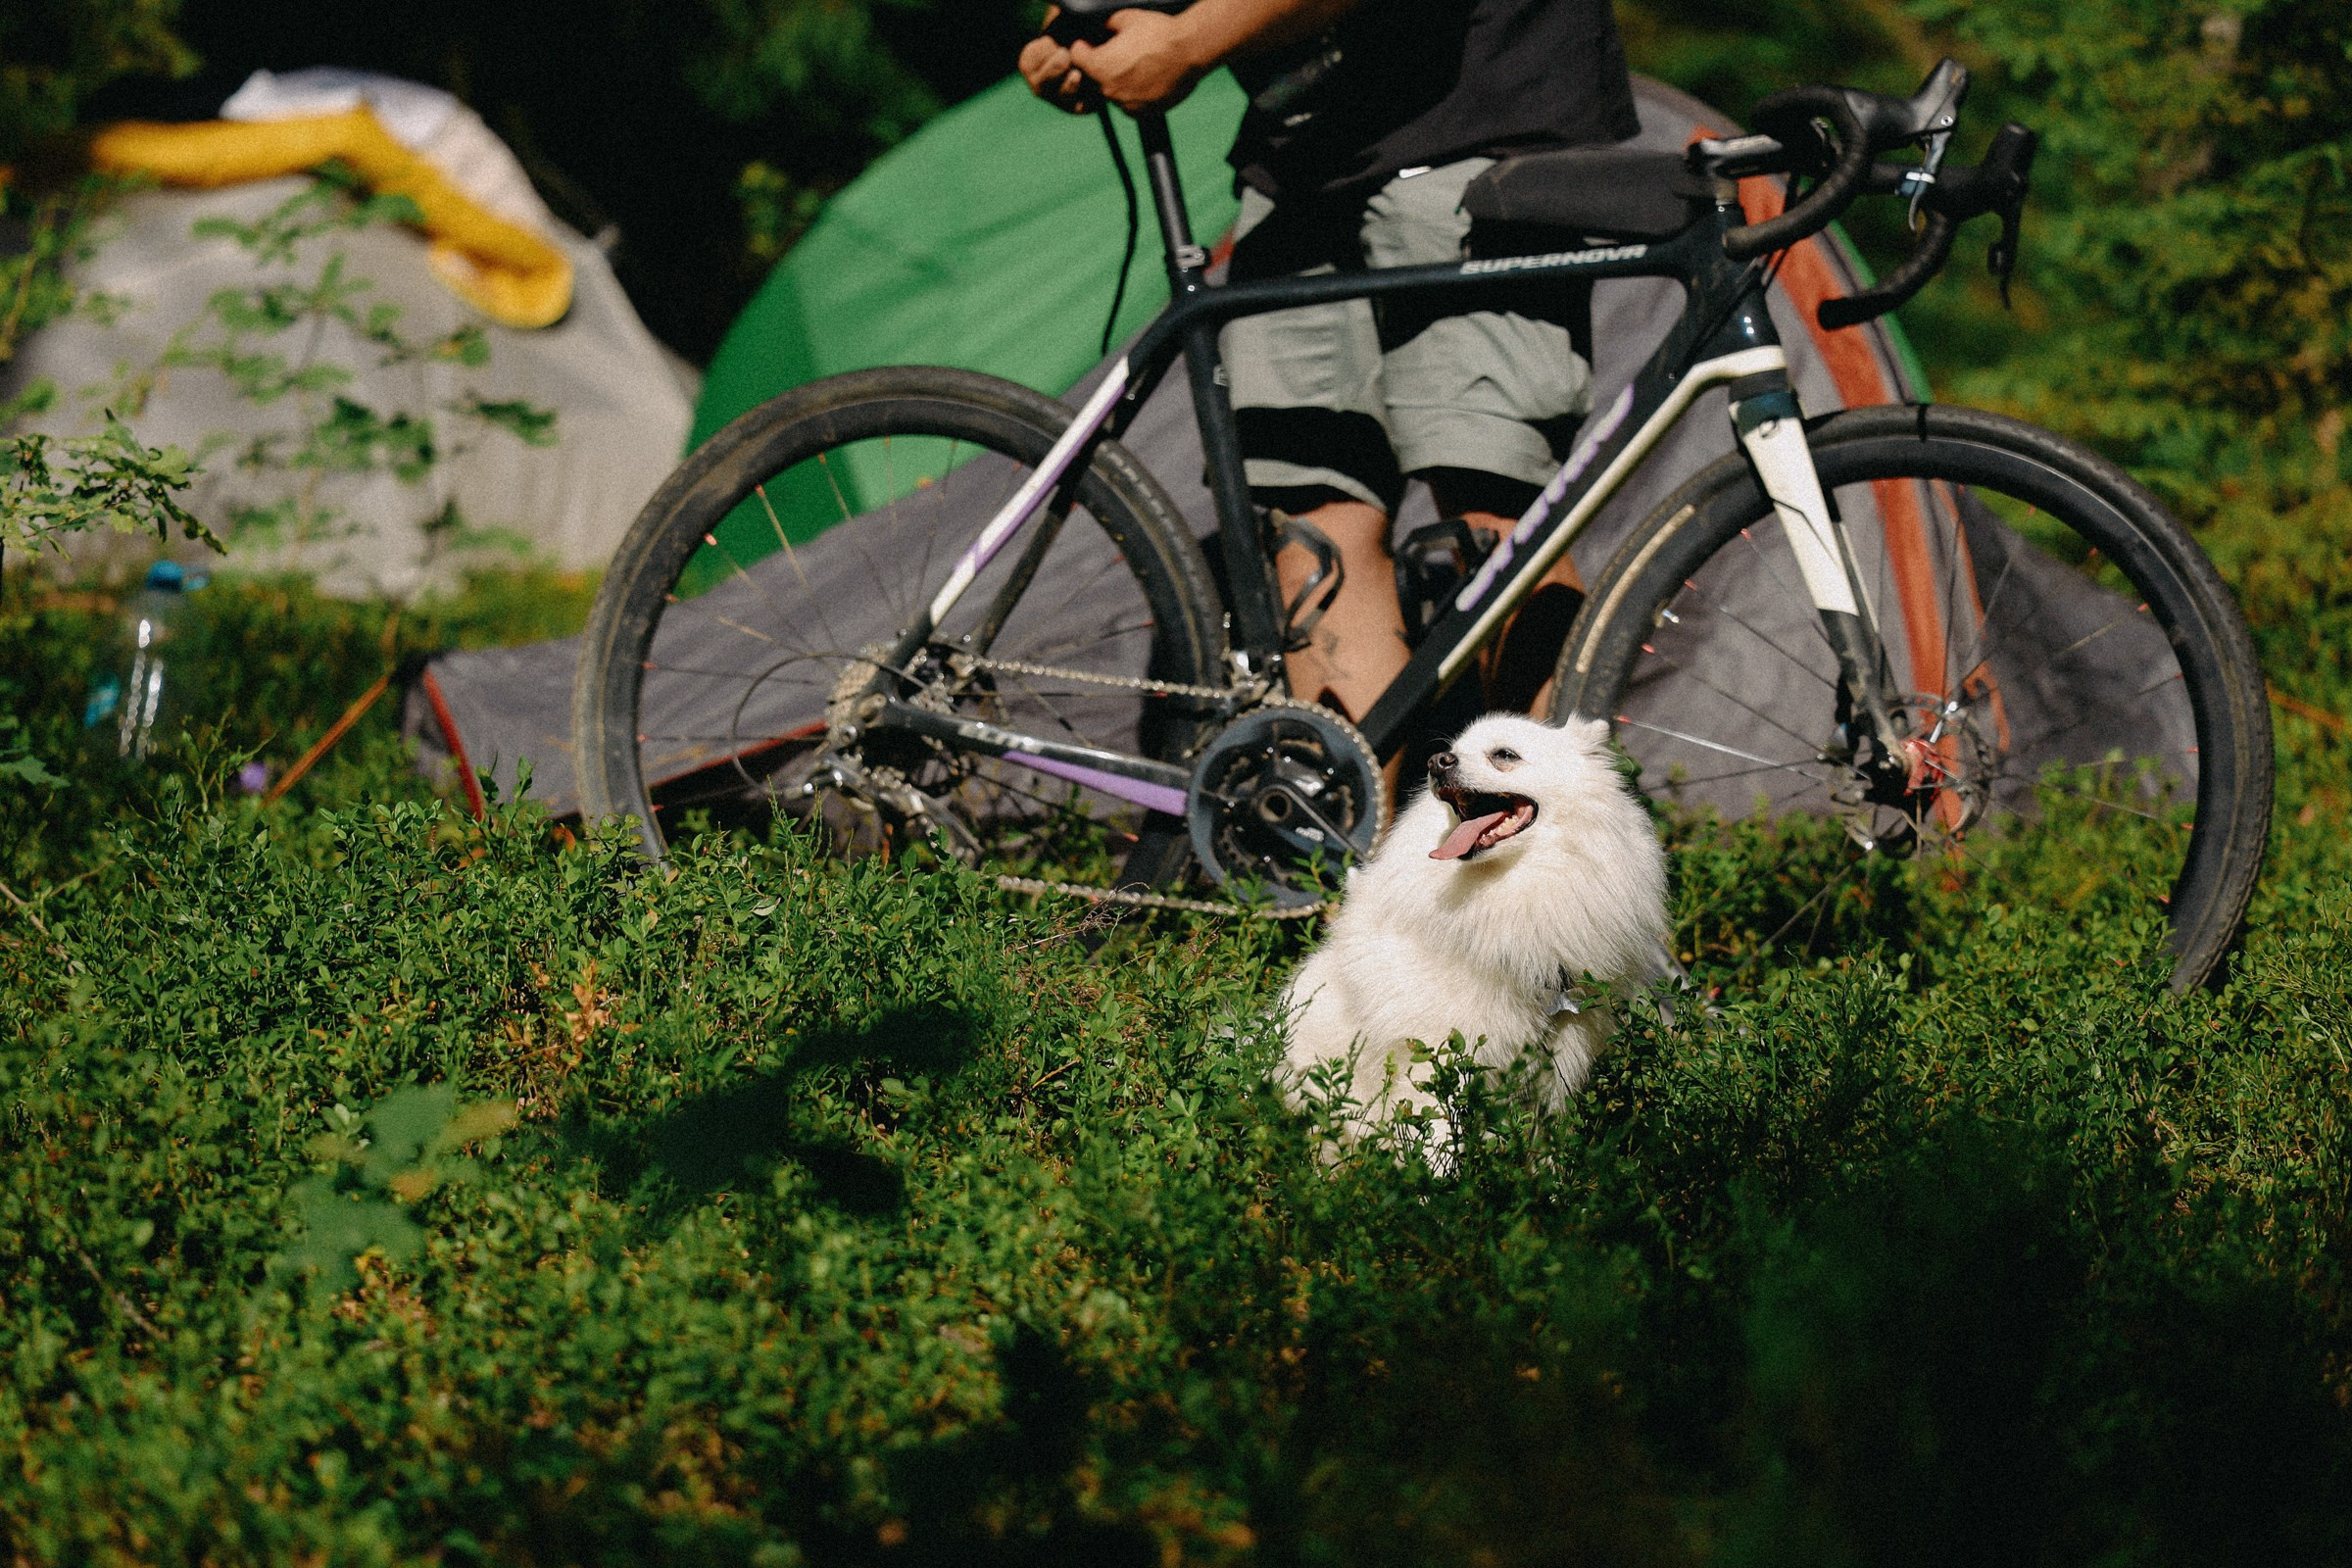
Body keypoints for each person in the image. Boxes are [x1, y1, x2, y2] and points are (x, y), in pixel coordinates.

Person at [1020, 0, 1641, 722]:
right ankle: (1349, 831)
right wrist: (1083, 28)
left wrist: (1187, 44)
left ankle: (1552, 833)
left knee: (1497, 514)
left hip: (1476, 119)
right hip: (1303, 167)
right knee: (1313, 532)